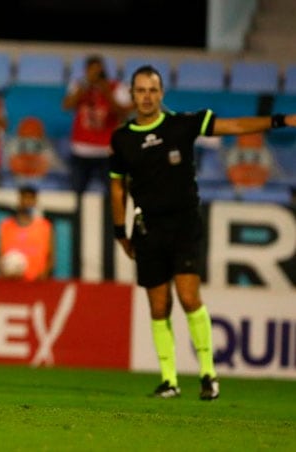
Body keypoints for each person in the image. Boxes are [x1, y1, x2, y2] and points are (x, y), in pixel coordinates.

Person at [109, 64, 296, 400]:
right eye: (140, 90)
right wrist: (119, 231)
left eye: (152, 90)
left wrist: (281, 120)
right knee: (158, 306)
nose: (147, 97)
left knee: (189, 297)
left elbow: (235, 125)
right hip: (147, 229)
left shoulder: (182, 125)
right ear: (132, 95)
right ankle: (169, 380)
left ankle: (209, 375)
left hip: (183, 225)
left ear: (161, 93)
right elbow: (118, 188)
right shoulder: (122, 139)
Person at [62, 54, 133, 195]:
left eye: (98, 70)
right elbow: (66, 105)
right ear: (86, 70)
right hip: (81, 150)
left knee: (113, 193)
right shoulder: (78, 86)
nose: (95, 74)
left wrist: (106, 93)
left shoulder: (116, 87)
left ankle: (112, 217)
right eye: (91, 70)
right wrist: (83, 88)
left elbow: (123, 112)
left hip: (107, 151)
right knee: (76, 192)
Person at [0, 184, 54, 281]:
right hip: (11, 282)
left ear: (35, 201)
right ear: (19, 200)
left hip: (36, 283)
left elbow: (51, 257)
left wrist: (43, 276)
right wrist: (3, 273)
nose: (27, 202)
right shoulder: (6, 225)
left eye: (30, 198)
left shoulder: (44, 226)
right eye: (24, 198)